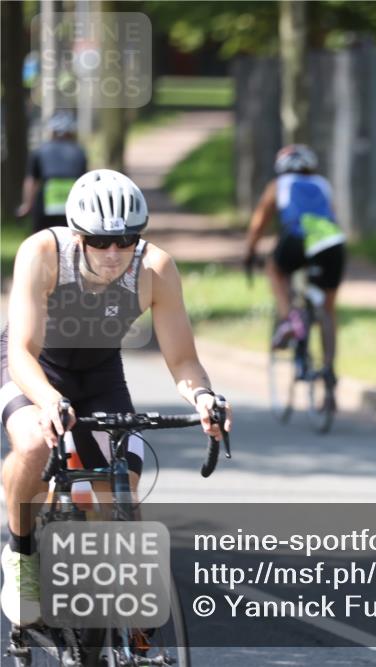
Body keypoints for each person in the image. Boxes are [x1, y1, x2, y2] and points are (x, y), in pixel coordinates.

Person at [1, 169, 233, 626]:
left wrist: (204, 398)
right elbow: (22, 353)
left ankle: (135, 638)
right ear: (76, 235)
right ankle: (22, 551)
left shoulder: (155, 269)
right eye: (99, 241)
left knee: (118, 486)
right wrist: (48, 401)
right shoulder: (43, 253)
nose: (113, 253)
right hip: (32, 367)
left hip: (99, 375)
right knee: (32, 443)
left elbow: (183, 360)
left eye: (125, 240)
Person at [243, 144, 345, 408]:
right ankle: (329, 372)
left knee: (275, 269)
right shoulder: (323, 184)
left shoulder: (280, 184)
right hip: (330, 240)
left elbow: (259, 223)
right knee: (328, 308)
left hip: (297, 237)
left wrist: (250, 252)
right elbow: (332, 215)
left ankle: (291, 317)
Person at [16, 111, 89, 233]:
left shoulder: (39, 151)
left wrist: (27, 205)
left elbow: (31, 181)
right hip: (72, 205)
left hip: (45, 205)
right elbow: (85, 182)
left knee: (42, 237)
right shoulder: (79, 152)